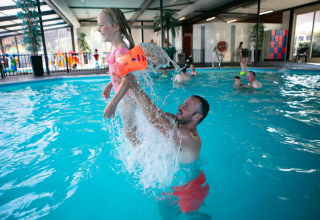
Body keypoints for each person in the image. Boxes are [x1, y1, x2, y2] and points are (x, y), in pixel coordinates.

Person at [125, 73, 210, 164]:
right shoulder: (175, 120)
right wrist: (126, 90)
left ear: (197, 117)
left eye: (186, 106)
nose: (179, 107)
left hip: (191, 177)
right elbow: (155, 111)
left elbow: (154, 119)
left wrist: (134, 85)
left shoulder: (188, 137)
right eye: (183, 103)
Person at [98, 8, 139, 145]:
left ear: (116, 27)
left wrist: (112, 103)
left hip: (128, 99)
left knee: (132, 135)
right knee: (131, 133)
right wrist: (110, 85)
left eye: (102, 25)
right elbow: (121, 75)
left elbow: (128, 79)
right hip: (124, 98)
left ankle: (142, 159)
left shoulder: (121, 51)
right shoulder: (115, 49)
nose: (99, 29)